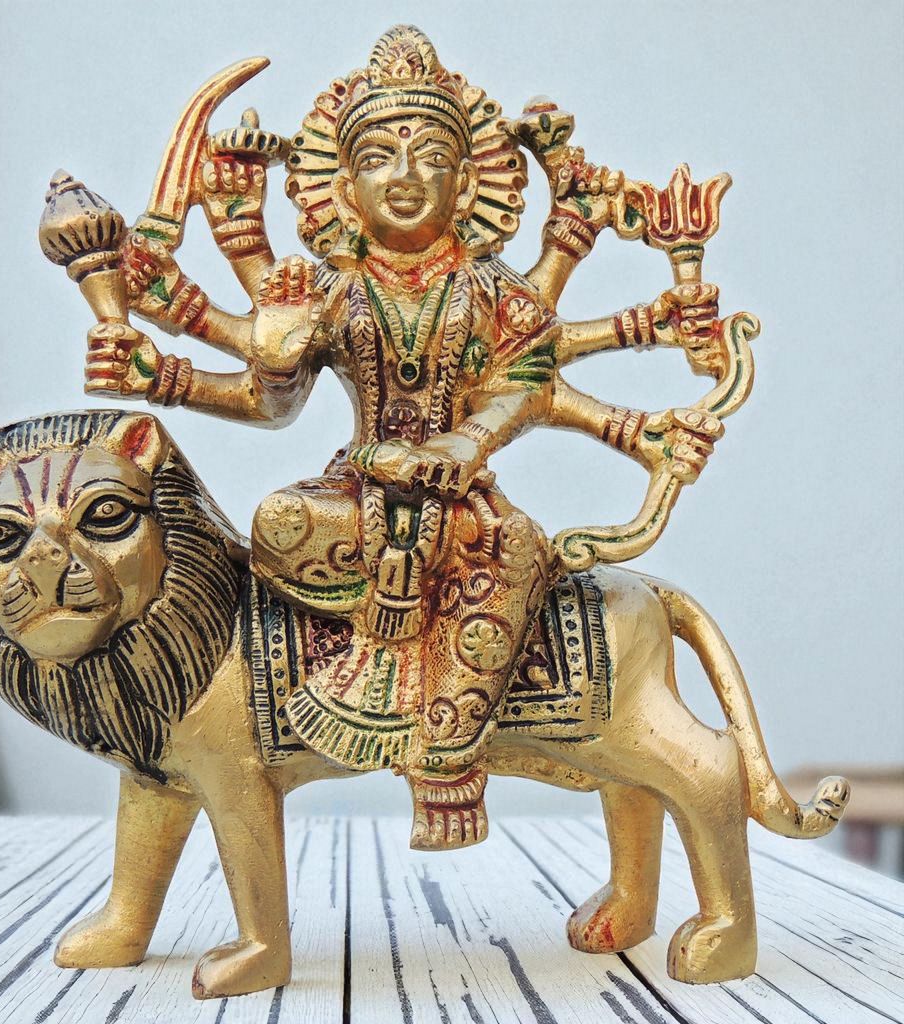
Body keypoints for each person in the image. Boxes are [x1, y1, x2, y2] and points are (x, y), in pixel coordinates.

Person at [86, 25, 722, 849]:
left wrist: (467, 444)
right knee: (278, 521)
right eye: (379, 156)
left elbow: (529, 380)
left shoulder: (488, 288)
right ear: (344, 186)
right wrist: (165, 378)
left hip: (464, 505)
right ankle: (363, 668)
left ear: (469, 182)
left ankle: (446, 749)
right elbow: (270, 399)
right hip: (356, 492)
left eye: (432, 156)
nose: (406, 176)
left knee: (507, 560)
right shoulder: (332, 288)